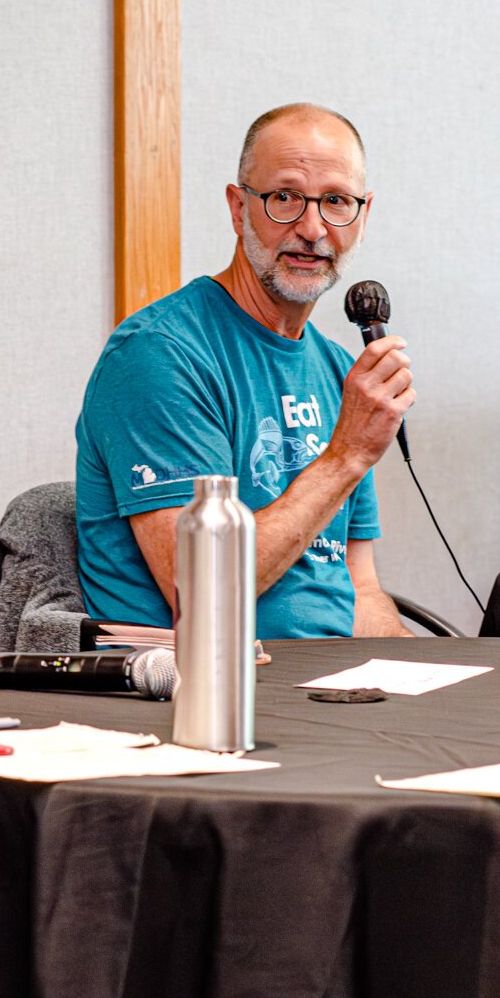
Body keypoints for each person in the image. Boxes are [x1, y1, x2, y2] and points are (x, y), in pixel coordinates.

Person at [75, 103, 415, 640]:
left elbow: (359, 588)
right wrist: (347, 455)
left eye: (336, 201)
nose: (311, 228)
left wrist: (422, 679)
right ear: (238, 209)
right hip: (210, 695)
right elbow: (201, 589)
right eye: (284, 198)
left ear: (363, 215)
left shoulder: (335, 368)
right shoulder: (159, 355)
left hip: (335, 688)